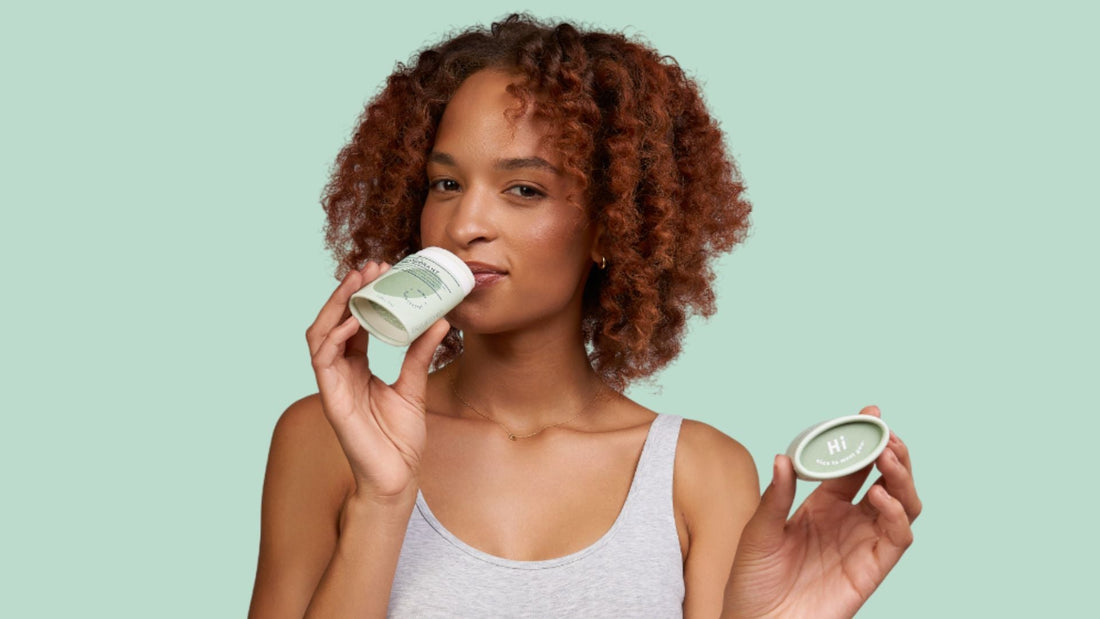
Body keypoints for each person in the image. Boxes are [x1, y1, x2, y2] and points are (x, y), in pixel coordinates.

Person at [248, 14, 921, 619]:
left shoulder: (701, 474)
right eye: (445, 183)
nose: (465, 223)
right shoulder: (327, 439)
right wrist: (382, 500)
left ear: (610, 225)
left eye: (523, 189)